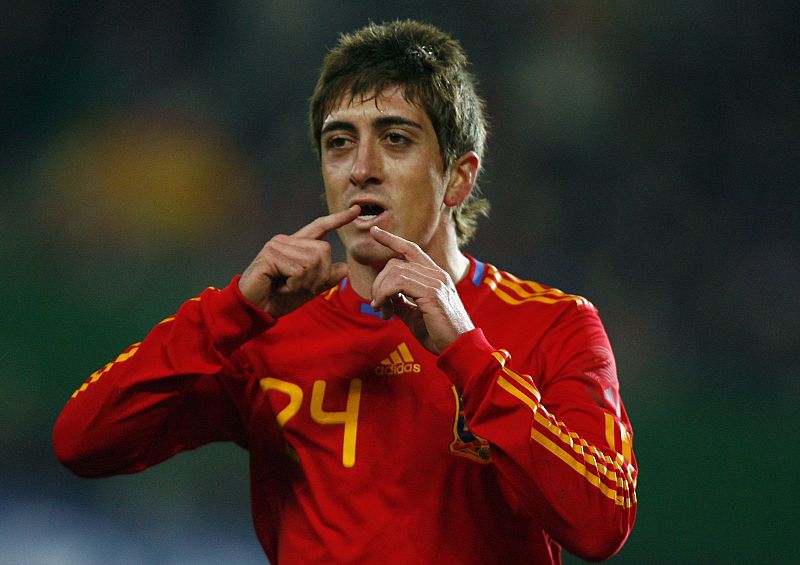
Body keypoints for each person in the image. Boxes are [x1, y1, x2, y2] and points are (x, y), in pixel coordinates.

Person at [54, 19, 637, 564]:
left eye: (396, 138)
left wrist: (468, 353)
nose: (361, 168)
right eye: (339, 143)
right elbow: (83, 443)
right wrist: (231, 311)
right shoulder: (266, 334)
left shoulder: (556, 324)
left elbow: (601, 525)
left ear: (458, 177)